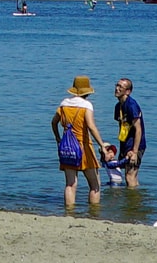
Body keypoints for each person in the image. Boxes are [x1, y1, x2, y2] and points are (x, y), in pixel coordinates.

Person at [52, 77, 107, 207]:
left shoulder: (63, 104)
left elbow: (54, 122)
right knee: (95, 185)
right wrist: (102, 145)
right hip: (83, 147)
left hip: (67, 147)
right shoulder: (86, 105)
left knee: (70, 184)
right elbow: (91, 126)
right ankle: (94, 213)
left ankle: (69, 211)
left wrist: (58, 138)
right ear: (87, 92)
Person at [113, 78, 146, 189]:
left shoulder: (132, 106)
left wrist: (135, 151)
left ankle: (131, 205)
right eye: (117, 86)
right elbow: (121, 126)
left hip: (135, 145)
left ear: (128, 91)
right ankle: (136, 201)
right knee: (132, 175)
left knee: (129, 176)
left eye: (120, 87)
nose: (117, 89)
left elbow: (138, 129)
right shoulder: (118, 106)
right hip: (125, 144)